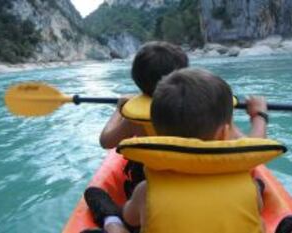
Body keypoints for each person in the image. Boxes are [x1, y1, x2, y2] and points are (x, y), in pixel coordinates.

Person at [84, 68, 272, 233]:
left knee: (98, 200)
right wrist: (259, 115)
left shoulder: (145, 191)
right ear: (224, 132)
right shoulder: (250, 187)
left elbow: (130, 217)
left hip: (141, 200)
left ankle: (111, 222)